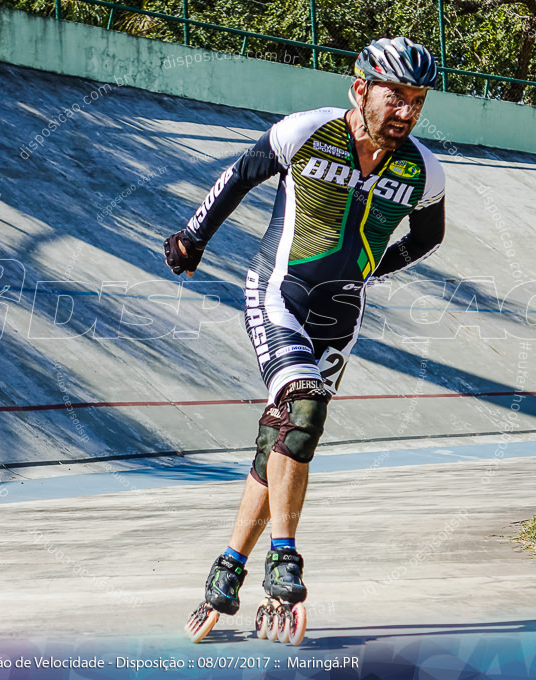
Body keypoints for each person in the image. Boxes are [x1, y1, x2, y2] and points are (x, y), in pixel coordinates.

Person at [167, 37, 447, 643]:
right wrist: (193, 236)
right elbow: (239, 175)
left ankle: (227, 569)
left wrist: (372, 267)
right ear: (360, 89)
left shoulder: (423, 169)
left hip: (341, 312)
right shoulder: (307, 131)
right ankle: (284, 562)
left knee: (286, 436)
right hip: (278, 294)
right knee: (303, 407)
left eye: (417, 100)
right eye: (395, 96)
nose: (406, 112)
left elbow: (427, 239)